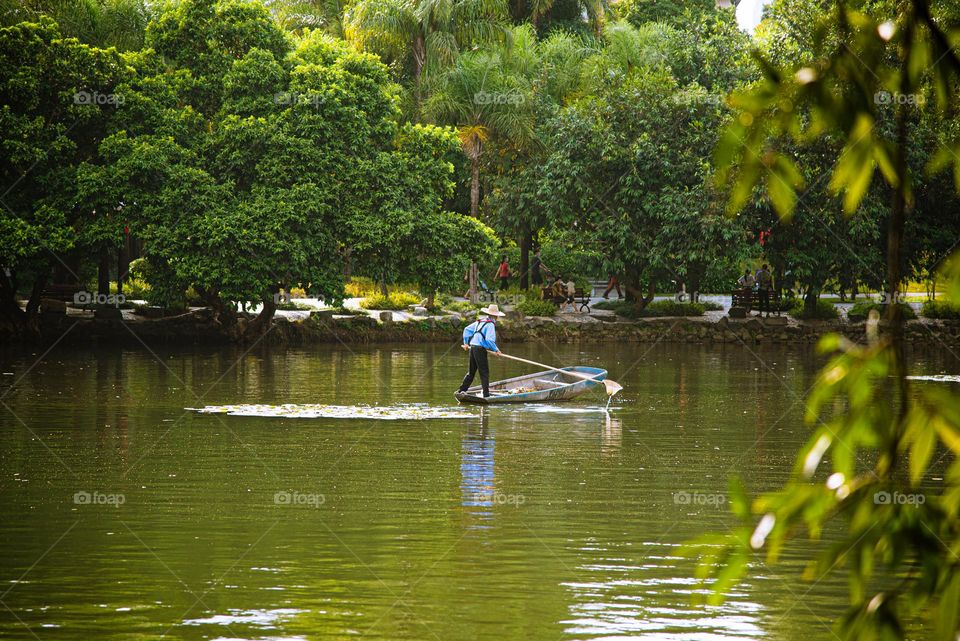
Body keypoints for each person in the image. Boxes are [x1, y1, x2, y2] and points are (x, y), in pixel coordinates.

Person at [457, 304, 505, 398]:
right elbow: (489, 340)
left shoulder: (480, 321)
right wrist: (496, 350)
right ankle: (486, 395)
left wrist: (466, 343)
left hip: (473, 347)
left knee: (471, 372)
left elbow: (466, 330)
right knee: (484, 373)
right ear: (496, 316)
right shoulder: (490, 324)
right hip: (480, 349)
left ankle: (461, 390)